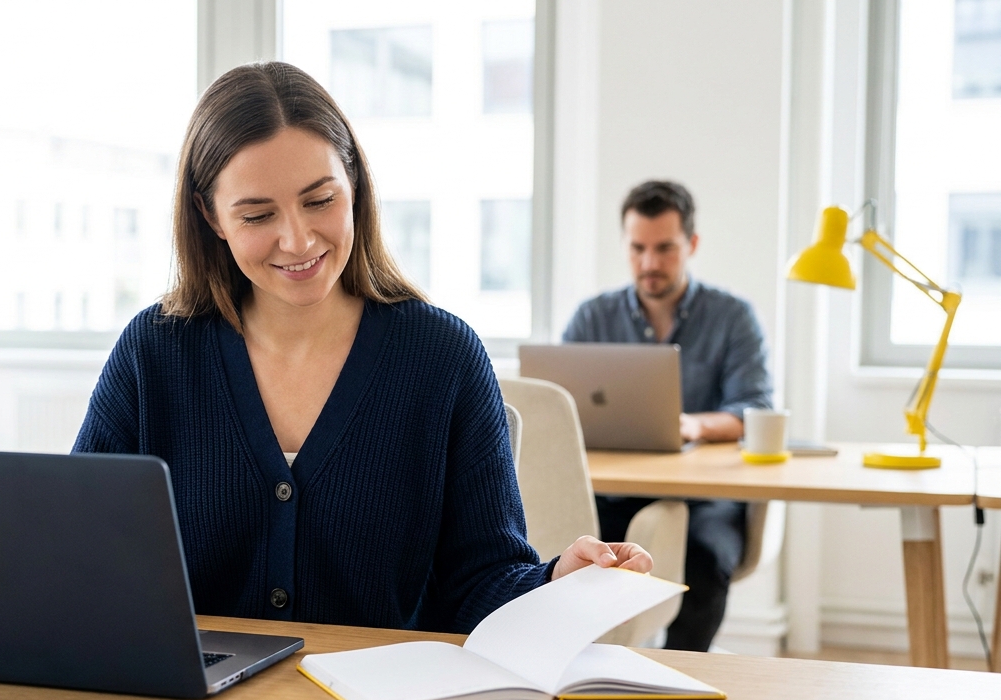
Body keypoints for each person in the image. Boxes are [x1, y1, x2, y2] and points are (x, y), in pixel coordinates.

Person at [72, 61, 650, 634]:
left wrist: (554, 585)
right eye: (257, 214)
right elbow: (78, 554)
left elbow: (482, 581)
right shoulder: (154, 352)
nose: (297, 239)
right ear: (210, 216)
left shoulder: (443, 358)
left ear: (355, 188)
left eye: (320, 200)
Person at [563, 180, 773, 651]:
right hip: (612, 490)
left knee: (706, 556)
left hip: (705, 496)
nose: (650, 263)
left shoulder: (733, 317)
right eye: (637, 248)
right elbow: (563, 406)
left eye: (665, 249)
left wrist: (693, 425)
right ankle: (591, 661)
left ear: (691, 245)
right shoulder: (592, 318)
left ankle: (682, 668)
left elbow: (754, 408)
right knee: (569, 547)